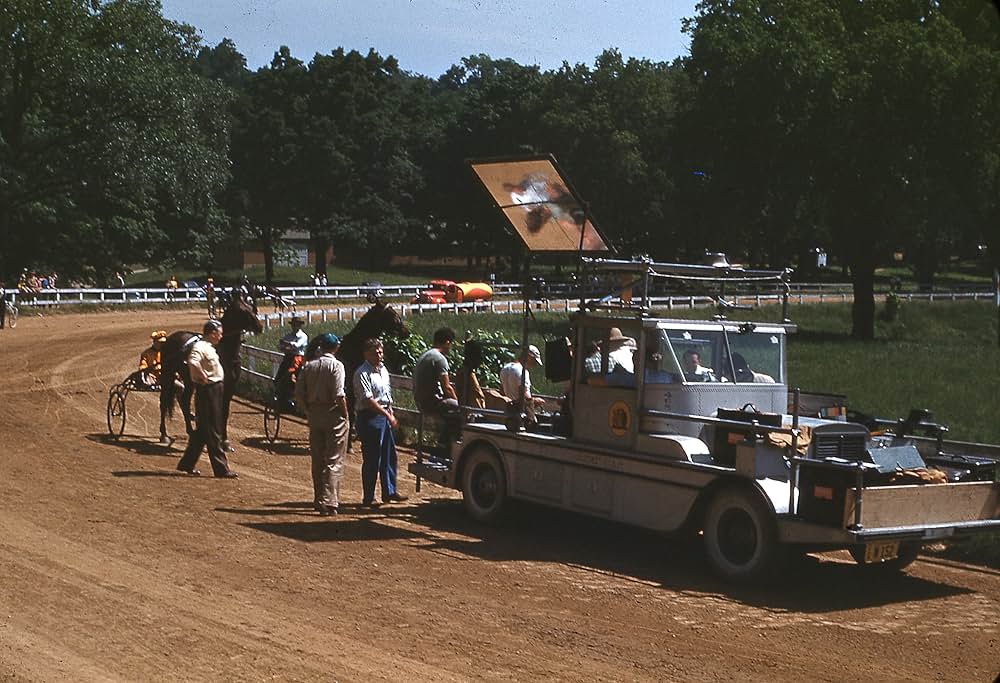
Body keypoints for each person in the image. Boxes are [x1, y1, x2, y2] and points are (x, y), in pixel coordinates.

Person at [176, 320, 238, 479]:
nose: (221, 335)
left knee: (203, 431)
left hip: (213, 390)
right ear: (212, 333)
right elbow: (192, 361)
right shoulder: (200, 347)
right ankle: (221, 469)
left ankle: (187, 464)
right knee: (213, 429)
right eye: (220, 332)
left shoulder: (208, 347)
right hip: (208, 390)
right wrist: (202, 375)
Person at [294, 333, 349, 516]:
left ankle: (318, 498)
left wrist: (307, 411)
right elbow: (339, 394)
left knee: (317, 458)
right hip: (332, 413)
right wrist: (345, 414)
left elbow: (299, 393)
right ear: (336, 347)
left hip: (314, 414)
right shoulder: (336, 365)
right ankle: (330, 501)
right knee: (334, 459)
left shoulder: (309, 365)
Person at [353, 338, 407, 507]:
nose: (379, 355)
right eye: (375, 352)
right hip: (369, 416)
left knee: (389, 455)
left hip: (383, 414)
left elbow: (386, 393)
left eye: (380, 351)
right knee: (372, 458)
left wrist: (389, 411)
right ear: (366, 353)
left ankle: (389, 491)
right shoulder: (362, 373)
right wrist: (387, 414)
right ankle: (369, 497)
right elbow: (368, 400)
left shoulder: (383, 370)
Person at [413, 327, 460, 445]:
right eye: (451, 344)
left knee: (453, 412)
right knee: (463, 412)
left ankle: (444, 442)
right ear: (447, 342)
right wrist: (458, 402)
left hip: (420, 401)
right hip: (431, 403)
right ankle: (447, 444)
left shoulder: (426, 355)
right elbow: (447, 387)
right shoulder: (440, 359)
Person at [499, 344, 547, 421]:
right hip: (519, 414)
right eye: (534, 360)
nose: (534, 364)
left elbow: (502, 391)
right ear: (529, 356)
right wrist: (536, 401)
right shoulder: (522, 371)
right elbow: (526, 398)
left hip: (508, 412)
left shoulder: (505, 368)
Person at [275, 316, 309, 409]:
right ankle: (282, 398)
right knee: (279, 377)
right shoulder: (288, 336)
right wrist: (287, 345)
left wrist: (286, 344)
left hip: (297, 358)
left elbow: (296, 346)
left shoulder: (303, 336)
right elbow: (280, 346)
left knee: (291, 376)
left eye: (297, 325)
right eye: (294, 325)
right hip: (287, 357)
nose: (295, 327)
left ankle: (292, 399)